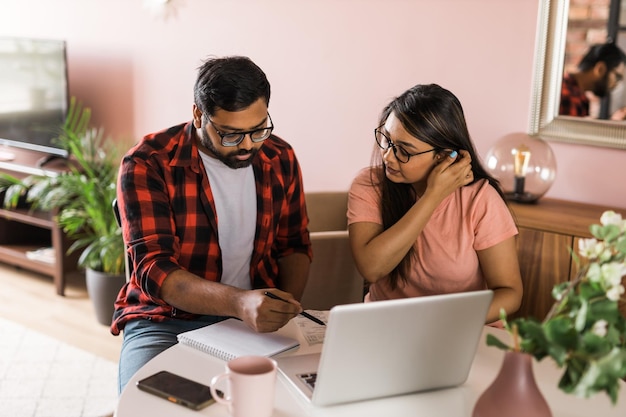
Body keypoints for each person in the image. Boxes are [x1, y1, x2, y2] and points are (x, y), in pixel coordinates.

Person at [111, 55, 312, 393]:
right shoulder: (149, 162)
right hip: (164, 321)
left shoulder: (280, 157)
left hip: (254, 321)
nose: (249, 145)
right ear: (198, 115)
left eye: (259, 129)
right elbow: (154, 270)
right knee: (149, 404)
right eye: (231, 134)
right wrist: (239, 303)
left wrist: (282, 306)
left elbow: (293, 245)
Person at [347, 83, 523, 324]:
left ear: (443, 156)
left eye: (403, 150)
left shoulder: (480, 199)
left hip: (461, 329)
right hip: (387, 327)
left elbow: (510, 292)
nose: (388, 156)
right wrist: (433, 196)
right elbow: (372, 267)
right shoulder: (369, 185)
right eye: (387, 140)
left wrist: (444, 320)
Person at [559, 42, 626, 119]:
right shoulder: (567, 95)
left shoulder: (579, 97)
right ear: (600, 69)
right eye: (617, 76)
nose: (617, 83)